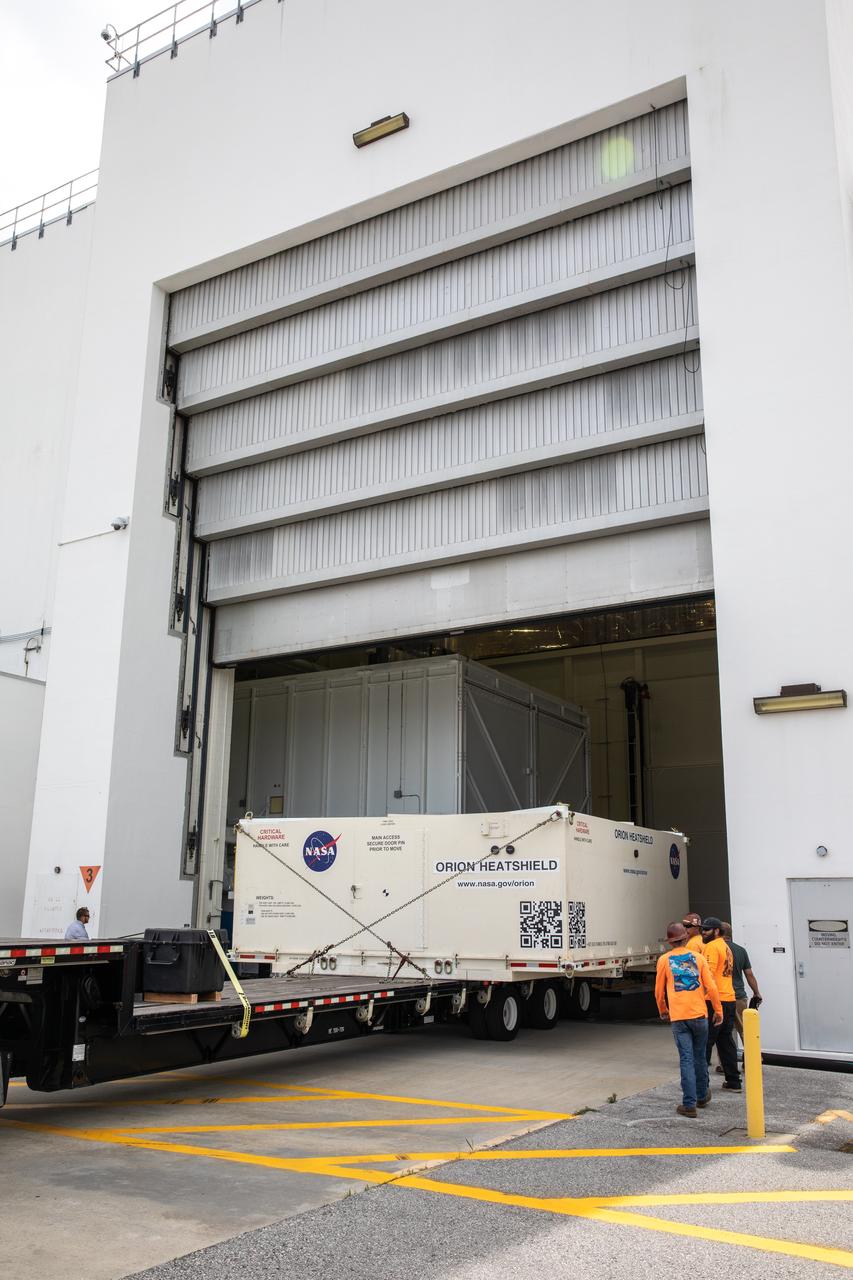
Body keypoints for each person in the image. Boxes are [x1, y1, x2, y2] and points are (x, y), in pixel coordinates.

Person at [655, 921, 722, 1118]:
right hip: (700, 1015)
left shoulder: (664, 960)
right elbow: (711, 987)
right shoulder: (698, 958)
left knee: (686, 1058)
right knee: (700, 1056)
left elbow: (659, 991)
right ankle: (702, 1096)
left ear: (670, 942)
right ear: (686, 938)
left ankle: (689, 1104)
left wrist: (663, 1009)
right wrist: (718, 1010)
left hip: (679, 1017)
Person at [701, 916, 741, 1090]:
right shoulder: (726, 947)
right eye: (702, 929)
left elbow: (707, 975)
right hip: (729, 999)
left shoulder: (711, 946)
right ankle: (733, 1081)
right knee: (726, 1041)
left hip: (714, 1000)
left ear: (717, 931)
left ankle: (702, 1084)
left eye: (707, 929)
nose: (703, 932)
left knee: (705, 1042)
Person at [721, 921, 762, 1051]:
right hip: (739, 996)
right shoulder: (741, 950)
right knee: (745, 1031)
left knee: (723, 1034)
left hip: (722, 997)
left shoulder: (715, 949)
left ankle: (724, 1064)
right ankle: (754, 1059)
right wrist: (756, 992)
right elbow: (749, 974)